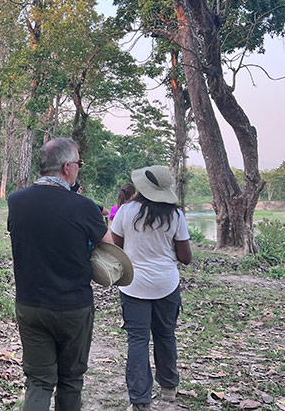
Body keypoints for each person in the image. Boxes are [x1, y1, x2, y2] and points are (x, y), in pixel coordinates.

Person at [7, 138, 107, 411]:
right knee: (71, 379)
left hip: (30, 305)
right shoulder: (84, 206)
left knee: (38, 381)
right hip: (73, 308)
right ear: (66, 168)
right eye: (78, 164)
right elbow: (111, 245)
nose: (79, 169)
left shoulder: (16, 202)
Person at [109, 166, 192, 411]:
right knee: (165, 335)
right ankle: (168, 387)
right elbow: (185, 257)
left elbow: (116, 246)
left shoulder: (126, 211)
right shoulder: (176, 216)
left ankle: (139, 401)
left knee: (138, 341)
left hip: (133, 286)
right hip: (166, 285)